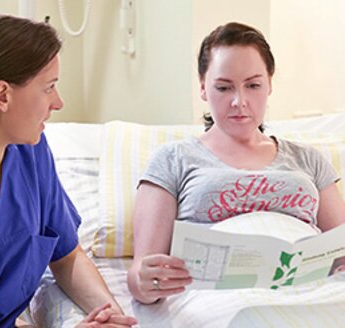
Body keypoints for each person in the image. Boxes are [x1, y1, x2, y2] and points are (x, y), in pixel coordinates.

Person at [0, 14, 136, 327]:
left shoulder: (31, 152)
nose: (59, 102)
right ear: (2, 95)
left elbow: (67, 256)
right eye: (49, 87)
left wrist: (112, 316)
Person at [127, 22, 345, 304]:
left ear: (269, 85)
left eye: (253, 85)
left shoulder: (308, 159)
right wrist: (145, 282)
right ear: (203, 88)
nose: (239, 101)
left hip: (312, 295)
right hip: (217, 301)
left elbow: (340, 246)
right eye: (223, 87)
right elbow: (140, 273)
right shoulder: (173, 159)